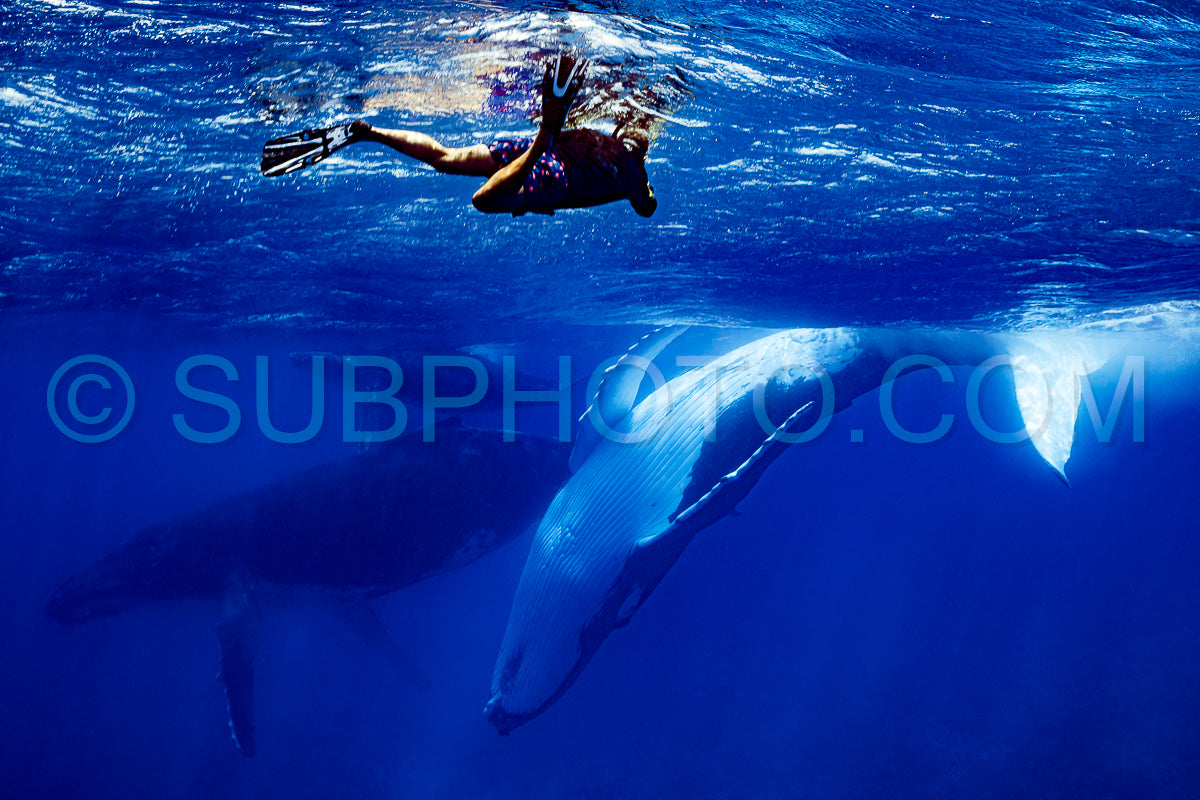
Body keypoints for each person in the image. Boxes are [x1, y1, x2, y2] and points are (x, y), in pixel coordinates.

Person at [262, 53, 657, 217]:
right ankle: (543, 138)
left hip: (538, 156)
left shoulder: (601, 141)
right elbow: (647, 207)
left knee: (445, 158)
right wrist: (641, 186)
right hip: (555, 177)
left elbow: (646, 202)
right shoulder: (633, 178)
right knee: (484, 201)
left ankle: (369, 132)